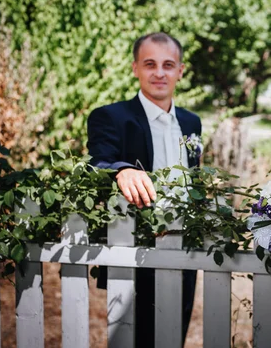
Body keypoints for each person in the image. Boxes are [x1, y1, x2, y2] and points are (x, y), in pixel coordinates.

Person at [87, 32, 200, 347]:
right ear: (135, 68)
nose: (159, 73)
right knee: (132, 340)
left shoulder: (192, 123)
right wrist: (121, 170)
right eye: (150, 64)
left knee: (173, 336)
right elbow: (98, 161)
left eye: (168, 64)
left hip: (184, 248)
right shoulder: (111, 117)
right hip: (134, 248)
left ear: (180, 70)